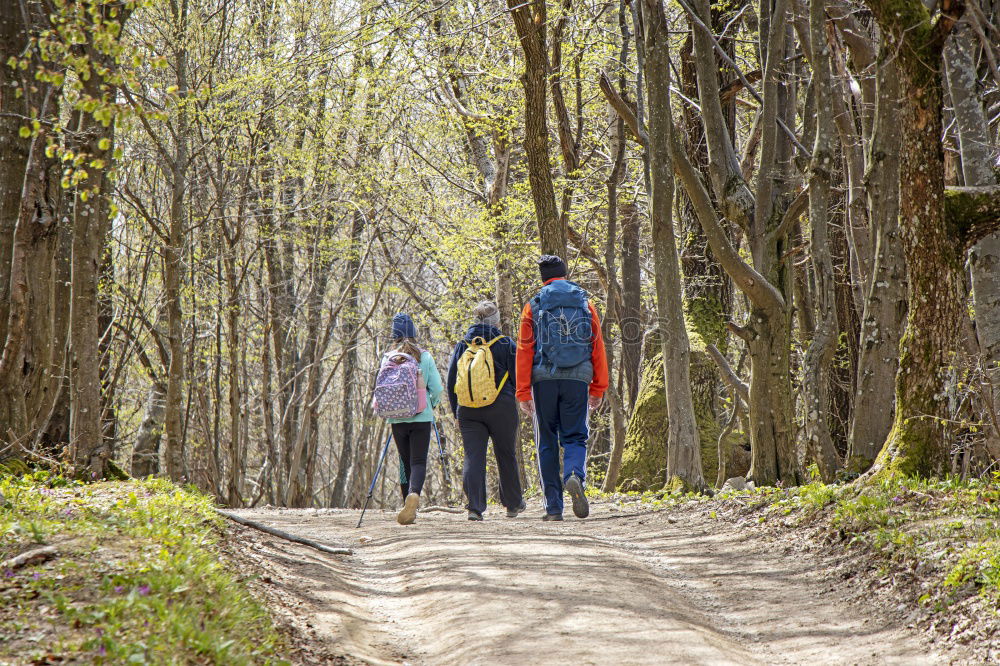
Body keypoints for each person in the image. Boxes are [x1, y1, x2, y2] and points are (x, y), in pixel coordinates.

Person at [516, 256, 608, 520]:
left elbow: (524, 350)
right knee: (576, 436)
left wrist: (523, 392)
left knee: (547, 441)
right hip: (578, 379)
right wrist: (598, 387)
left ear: (543, 278)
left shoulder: (533, 305)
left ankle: (554, 508)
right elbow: (597, 347)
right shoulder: (584, 303)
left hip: (543, 380)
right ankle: (573, 475)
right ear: (565, 274)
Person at [446, 301, 526, 521]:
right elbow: (518, 378)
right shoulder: (505, 343)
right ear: (496, 321)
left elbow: (451, 380)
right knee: (506, 453)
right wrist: (522, 400)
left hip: (468, 410)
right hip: (502, 407)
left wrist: (457, 412)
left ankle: (475, 508)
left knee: (473, 456)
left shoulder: (463, 344)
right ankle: (512, 504)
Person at [385, 313, 443, 525]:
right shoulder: (425, 357)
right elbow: (436, 388)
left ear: (394, 335)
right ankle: (414, 494)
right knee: (418, 461)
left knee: (404, 461)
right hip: (421, 415)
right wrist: (432, 404)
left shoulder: (388, 357)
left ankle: (406, 503)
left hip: (396, 418)